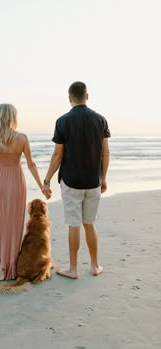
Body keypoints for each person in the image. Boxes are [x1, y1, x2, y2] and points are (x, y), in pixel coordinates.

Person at [42, 81, 110, 279]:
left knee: (74, 224)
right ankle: (95, 266)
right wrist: (103, 178)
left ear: (70, 98)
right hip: (93, 181)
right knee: (89, 223)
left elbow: (57, 155)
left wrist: (47, 180)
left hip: (71, 182)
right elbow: (105, 153)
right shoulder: (101, 120)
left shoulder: (63, 121)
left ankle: (73, 269)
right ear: (87, 96)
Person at [0, 103, 43, 281]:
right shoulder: (22, 138)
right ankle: (10, 265)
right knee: (13, 224)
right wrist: (42, 186)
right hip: (16, 183)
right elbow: (31, 164)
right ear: (13, 118)